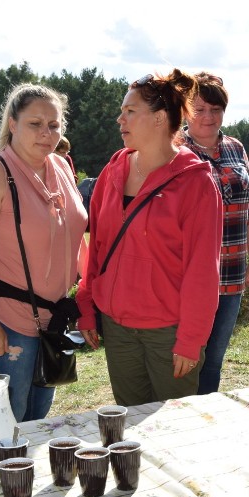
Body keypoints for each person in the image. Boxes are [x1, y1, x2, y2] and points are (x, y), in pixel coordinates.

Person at [76, 69, 222, 407]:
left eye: (130, 111)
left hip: (168, 333)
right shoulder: (114, 170)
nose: (119, 119)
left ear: (159, 119)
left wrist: (190, 340)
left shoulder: (197, 183)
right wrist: (86, 305)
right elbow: (97, 247)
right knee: (128, 426)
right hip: (117, 327)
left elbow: (203, 271)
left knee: (170, 431)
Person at [0, 83, 87, 422]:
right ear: (13, 124)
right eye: (35, 123)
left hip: (53, 319)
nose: (46, 133)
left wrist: (83, 299)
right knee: (8, 421)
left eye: (54, 125)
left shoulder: (61, 168)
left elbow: (74, 235)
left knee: (38, 418)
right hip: (6, 318)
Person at [181, 71, 249, 394]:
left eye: (215, 110)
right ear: (185, 112)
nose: (208, 117)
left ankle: (206, 421)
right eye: (199, 109)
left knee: (214, 360)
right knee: (188, 357)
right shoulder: (175, 150)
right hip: (189, 276)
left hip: (231, 274)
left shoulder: (236, 148)